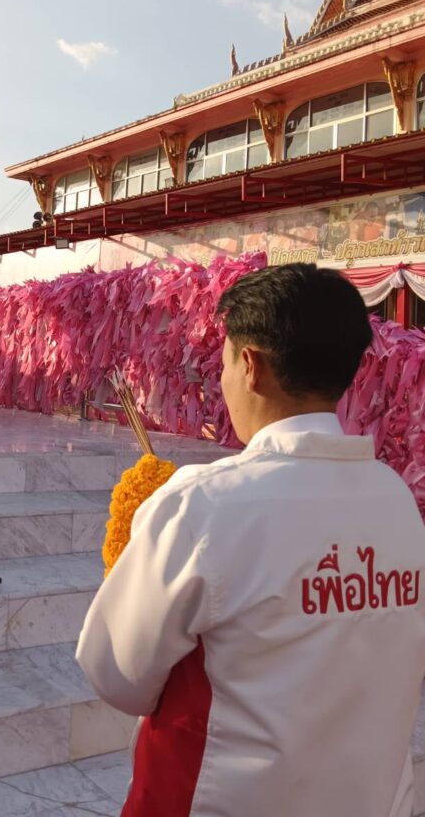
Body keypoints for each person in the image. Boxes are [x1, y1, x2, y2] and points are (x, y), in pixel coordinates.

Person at [77, 263, 425, 817]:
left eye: (222, 365)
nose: (222, 383)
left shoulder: (204, 505)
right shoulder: (397, 500)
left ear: (250, 365)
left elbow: (117, 674)